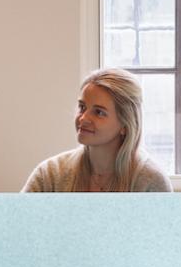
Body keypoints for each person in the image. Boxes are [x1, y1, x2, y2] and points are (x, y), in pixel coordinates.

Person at [21, 68, 171, 193]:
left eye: (99, 112)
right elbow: (16, 224)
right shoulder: (49, 175)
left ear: (125, 125)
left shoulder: (151, 182)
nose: (83, 119)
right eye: (82, 107)